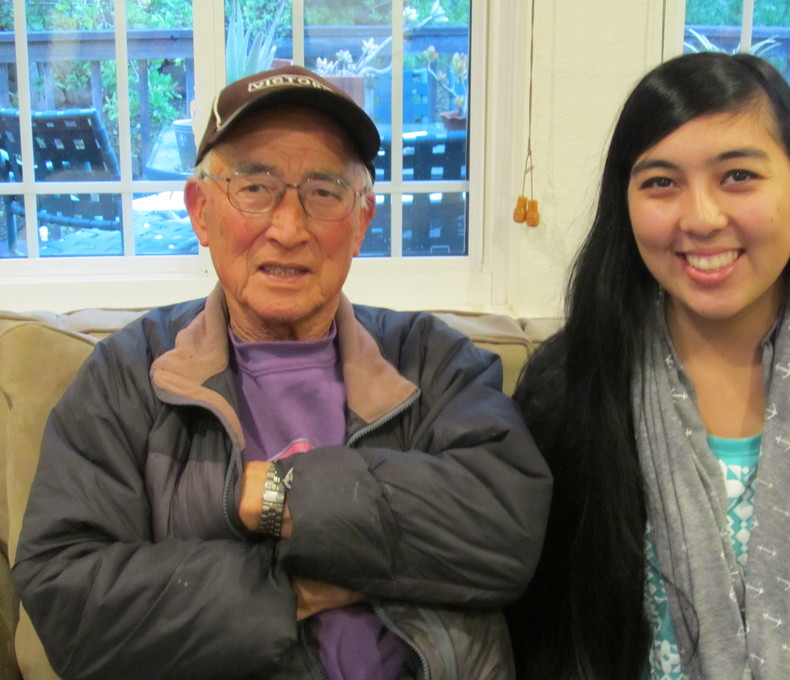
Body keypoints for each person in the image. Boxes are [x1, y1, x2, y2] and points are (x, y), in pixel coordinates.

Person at [12, 65, 551, 680]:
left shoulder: (435, 361)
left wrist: (269, 497)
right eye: (254, 187)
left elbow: (508, 531)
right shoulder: (129, 376)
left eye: (323, 193)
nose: (289, 228)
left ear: (362, 221)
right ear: (201, 210)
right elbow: (69, 601)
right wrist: (290, 589)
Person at [507, 52, 790, 680]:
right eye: (661, 182)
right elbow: (543, 626)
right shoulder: (568, 386)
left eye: (739, 176)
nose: (700, 218)